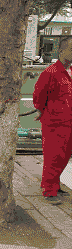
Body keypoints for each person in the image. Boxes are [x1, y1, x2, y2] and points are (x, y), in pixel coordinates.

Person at [33, 36, 72, 206]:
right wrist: (43, 111)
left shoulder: (68, 72)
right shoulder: (50, 73)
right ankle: (49, 189)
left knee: (64, 156)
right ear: (62, 51)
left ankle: (55, 184)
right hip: (54, 122)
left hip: (68, 122)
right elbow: (38, 96)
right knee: (53, 156)